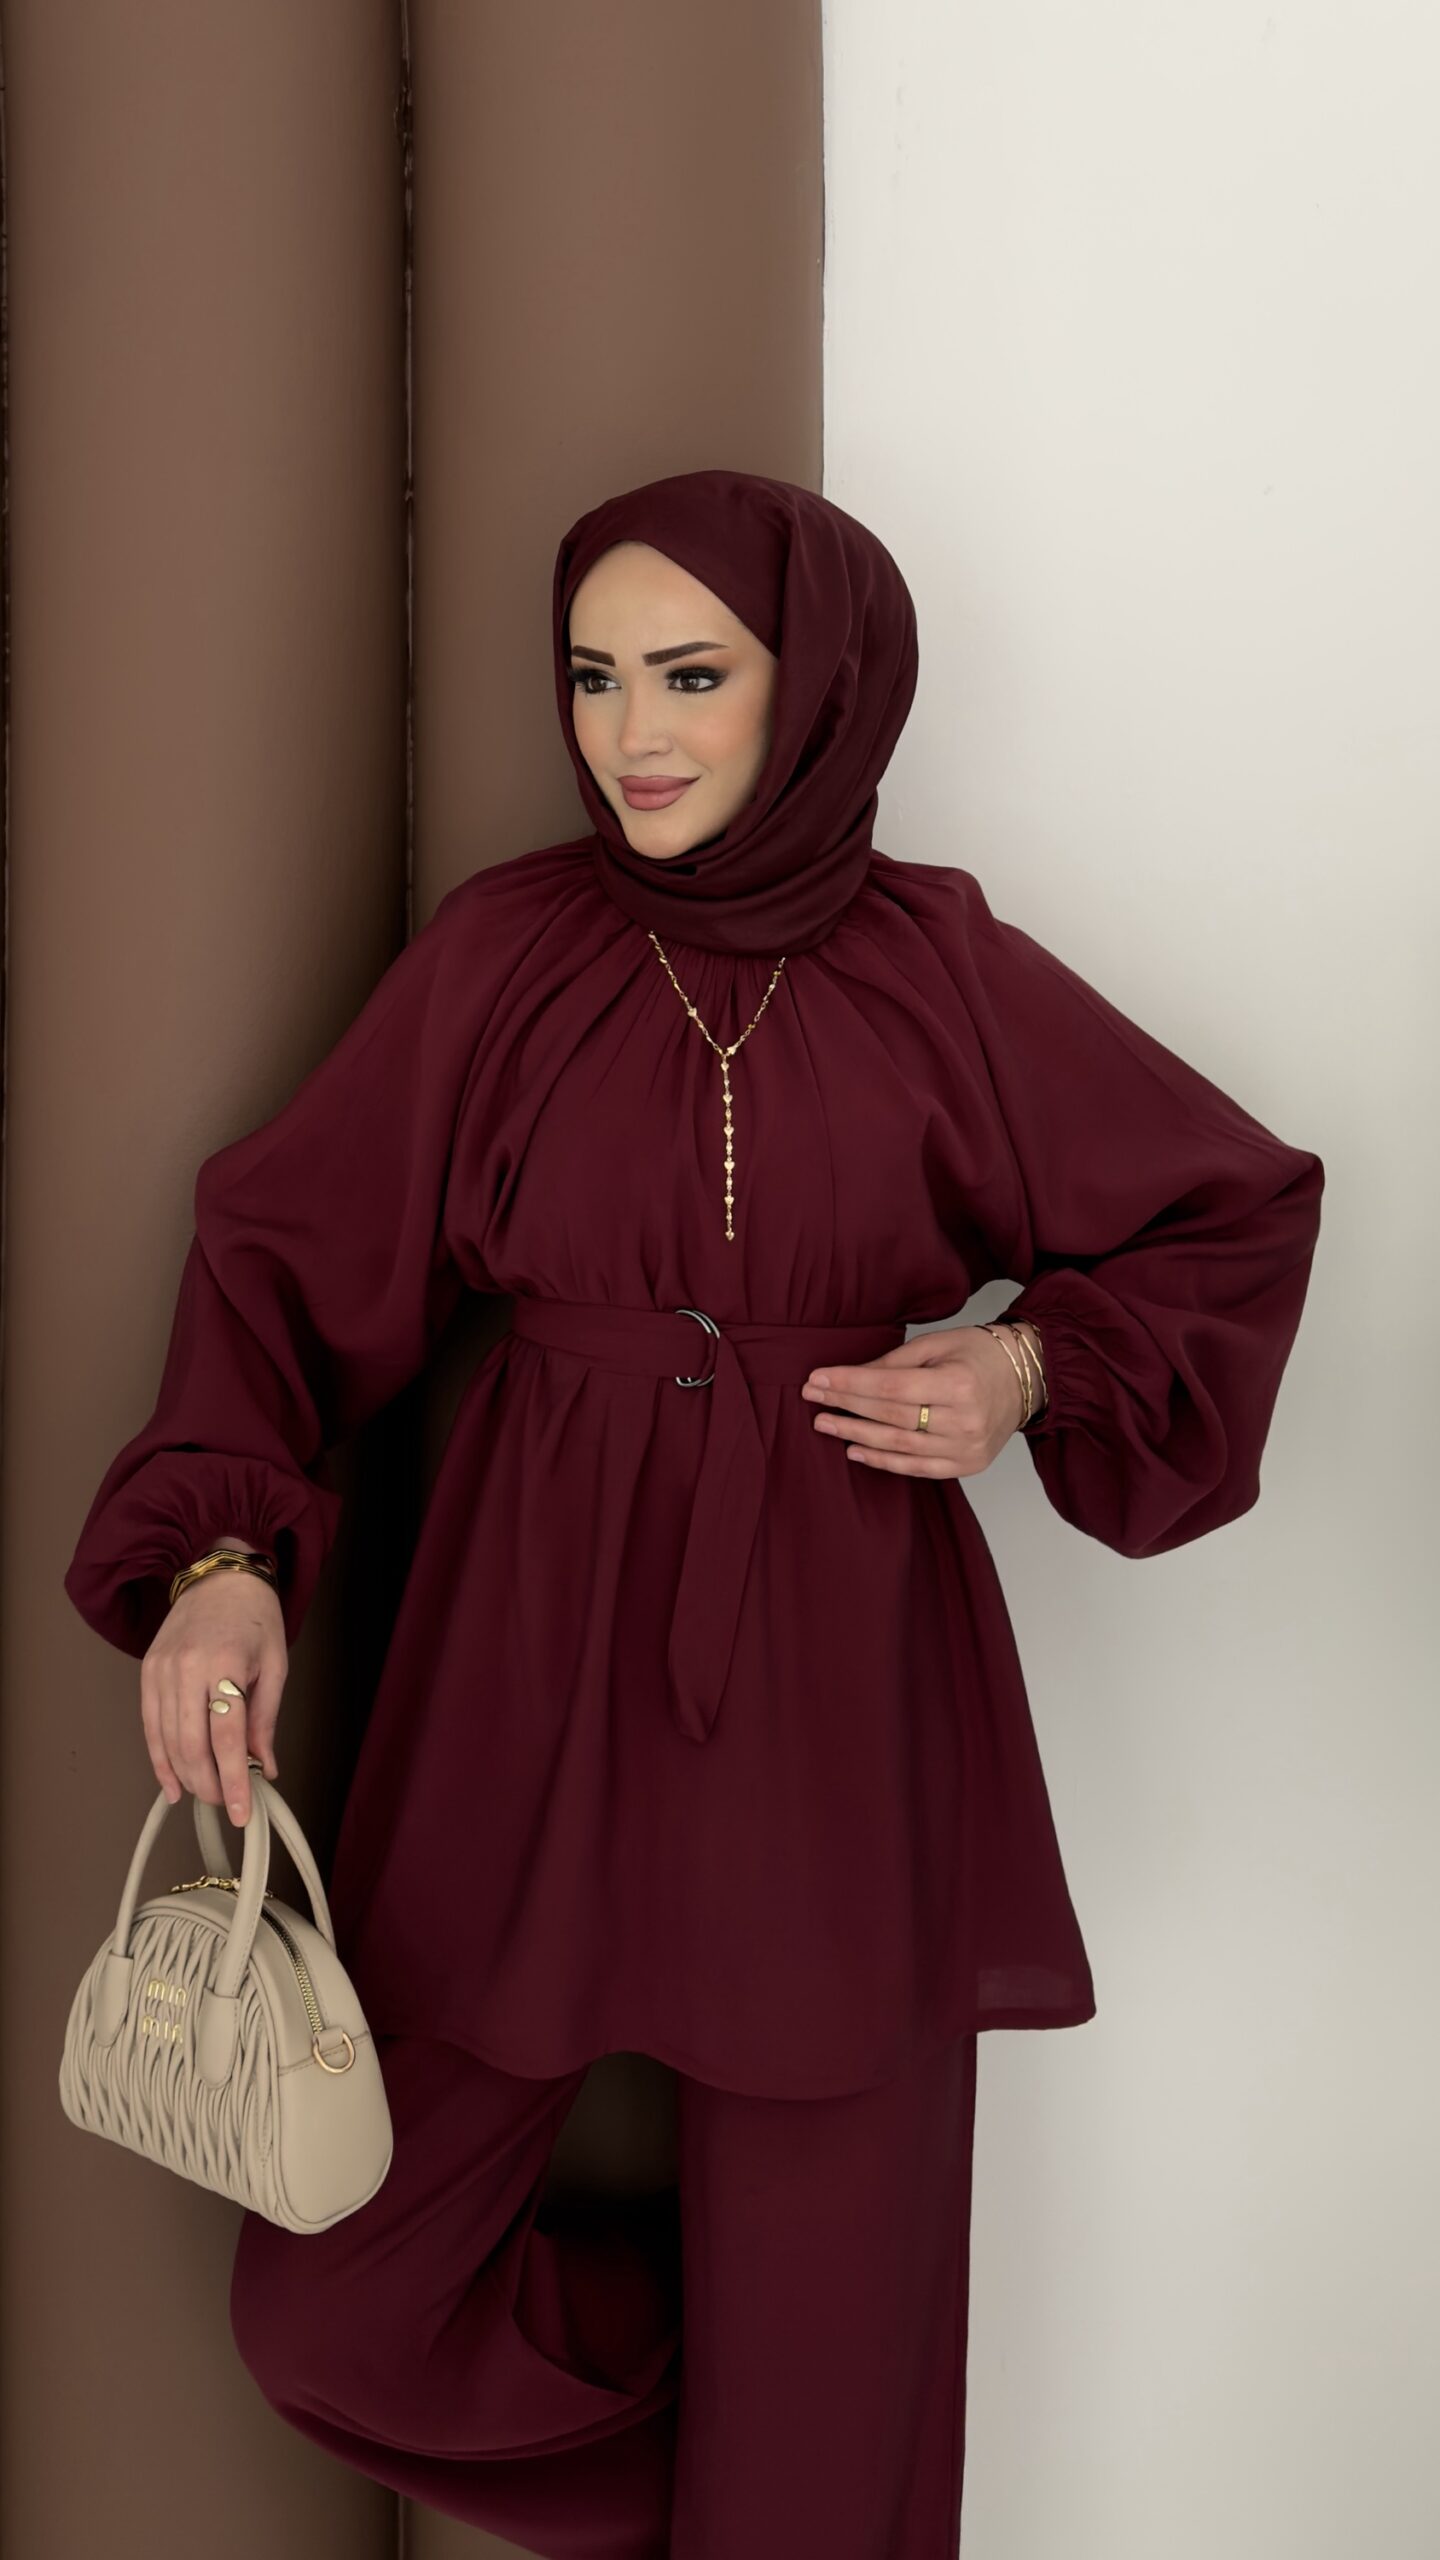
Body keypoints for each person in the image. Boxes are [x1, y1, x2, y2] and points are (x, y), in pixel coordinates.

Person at [64, 466, 1325, 2555]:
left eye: (691, 675)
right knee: (339, 2313)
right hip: (522, 1673)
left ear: (813, 684)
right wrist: (216, 1564)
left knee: (839, 2340)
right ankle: (768, 2474)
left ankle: (803, 2479)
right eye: (592, 676)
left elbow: (1233, 1210)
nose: (631, 733)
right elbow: (284, 1256)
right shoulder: (504, 958)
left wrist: (1025, 1368)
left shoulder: (943, 968)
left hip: (841, 1677)